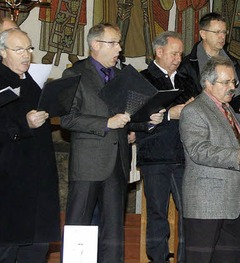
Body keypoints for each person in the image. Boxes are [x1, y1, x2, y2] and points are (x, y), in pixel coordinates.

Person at [60, 23, 165, 262]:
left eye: (119, 43)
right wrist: (107, 123)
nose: (119, 48)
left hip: (117, 163)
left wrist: (147, 120)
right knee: (79, 226)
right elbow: (67, 118)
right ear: (96, 45)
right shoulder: (75, 74)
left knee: (114, 231)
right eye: (114, 43)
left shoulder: (121, 75)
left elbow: (127, 118)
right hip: (88, 164)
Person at [179, 55, 240, 262]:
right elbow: (198, 150)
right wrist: (236, 155)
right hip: (205, 205)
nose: (232, 87)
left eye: (234, 82)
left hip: (231, 206)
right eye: (225, 82)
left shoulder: (232, 113)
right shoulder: (194, 110)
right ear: (207, 83)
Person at [137, 31, 199, 263]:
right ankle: (158, 258)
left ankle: (186, 258)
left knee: (189, 212)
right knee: (157, 213)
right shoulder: (142, 79)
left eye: (180, 54)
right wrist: (169, 116)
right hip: (155, 156)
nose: (178, 58)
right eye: (173, 53)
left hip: (184, 155)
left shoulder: (187, 80)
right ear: (159, 51)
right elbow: (134, 118)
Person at [0, 28, 60, 263]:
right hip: (9, 179)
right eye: (18, 50)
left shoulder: (31, 81)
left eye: (29, 49)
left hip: (38, 178)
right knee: (8, 247)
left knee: (36, 247)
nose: (26, 55)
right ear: (3, 52)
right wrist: (24, 124)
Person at [178, 12, 240, 98]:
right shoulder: (188, 66)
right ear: (203, 34)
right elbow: (186, 100)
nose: (222, 36)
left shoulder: (234, 63)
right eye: (217, 32)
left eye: (224, 32)